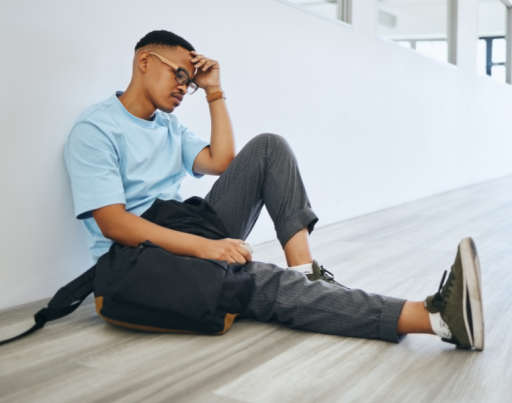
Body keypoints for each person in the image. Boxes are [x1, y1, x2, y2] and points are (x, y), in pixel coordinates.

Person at [63, 30, 484, 350]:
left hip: (184, 225)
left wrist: (213, 90)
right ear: (142, 61)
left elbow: (221, 161)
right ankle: (434, 319)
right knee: (262, 283)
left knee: (269, 147)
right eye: (178, 74)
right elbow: (114, 224)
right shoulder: (97, 128)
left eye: (188, 81)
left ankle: (305, 274)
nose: (182, 86)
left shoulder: (168, 125)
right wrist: (204, 248)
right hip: (137, 258)